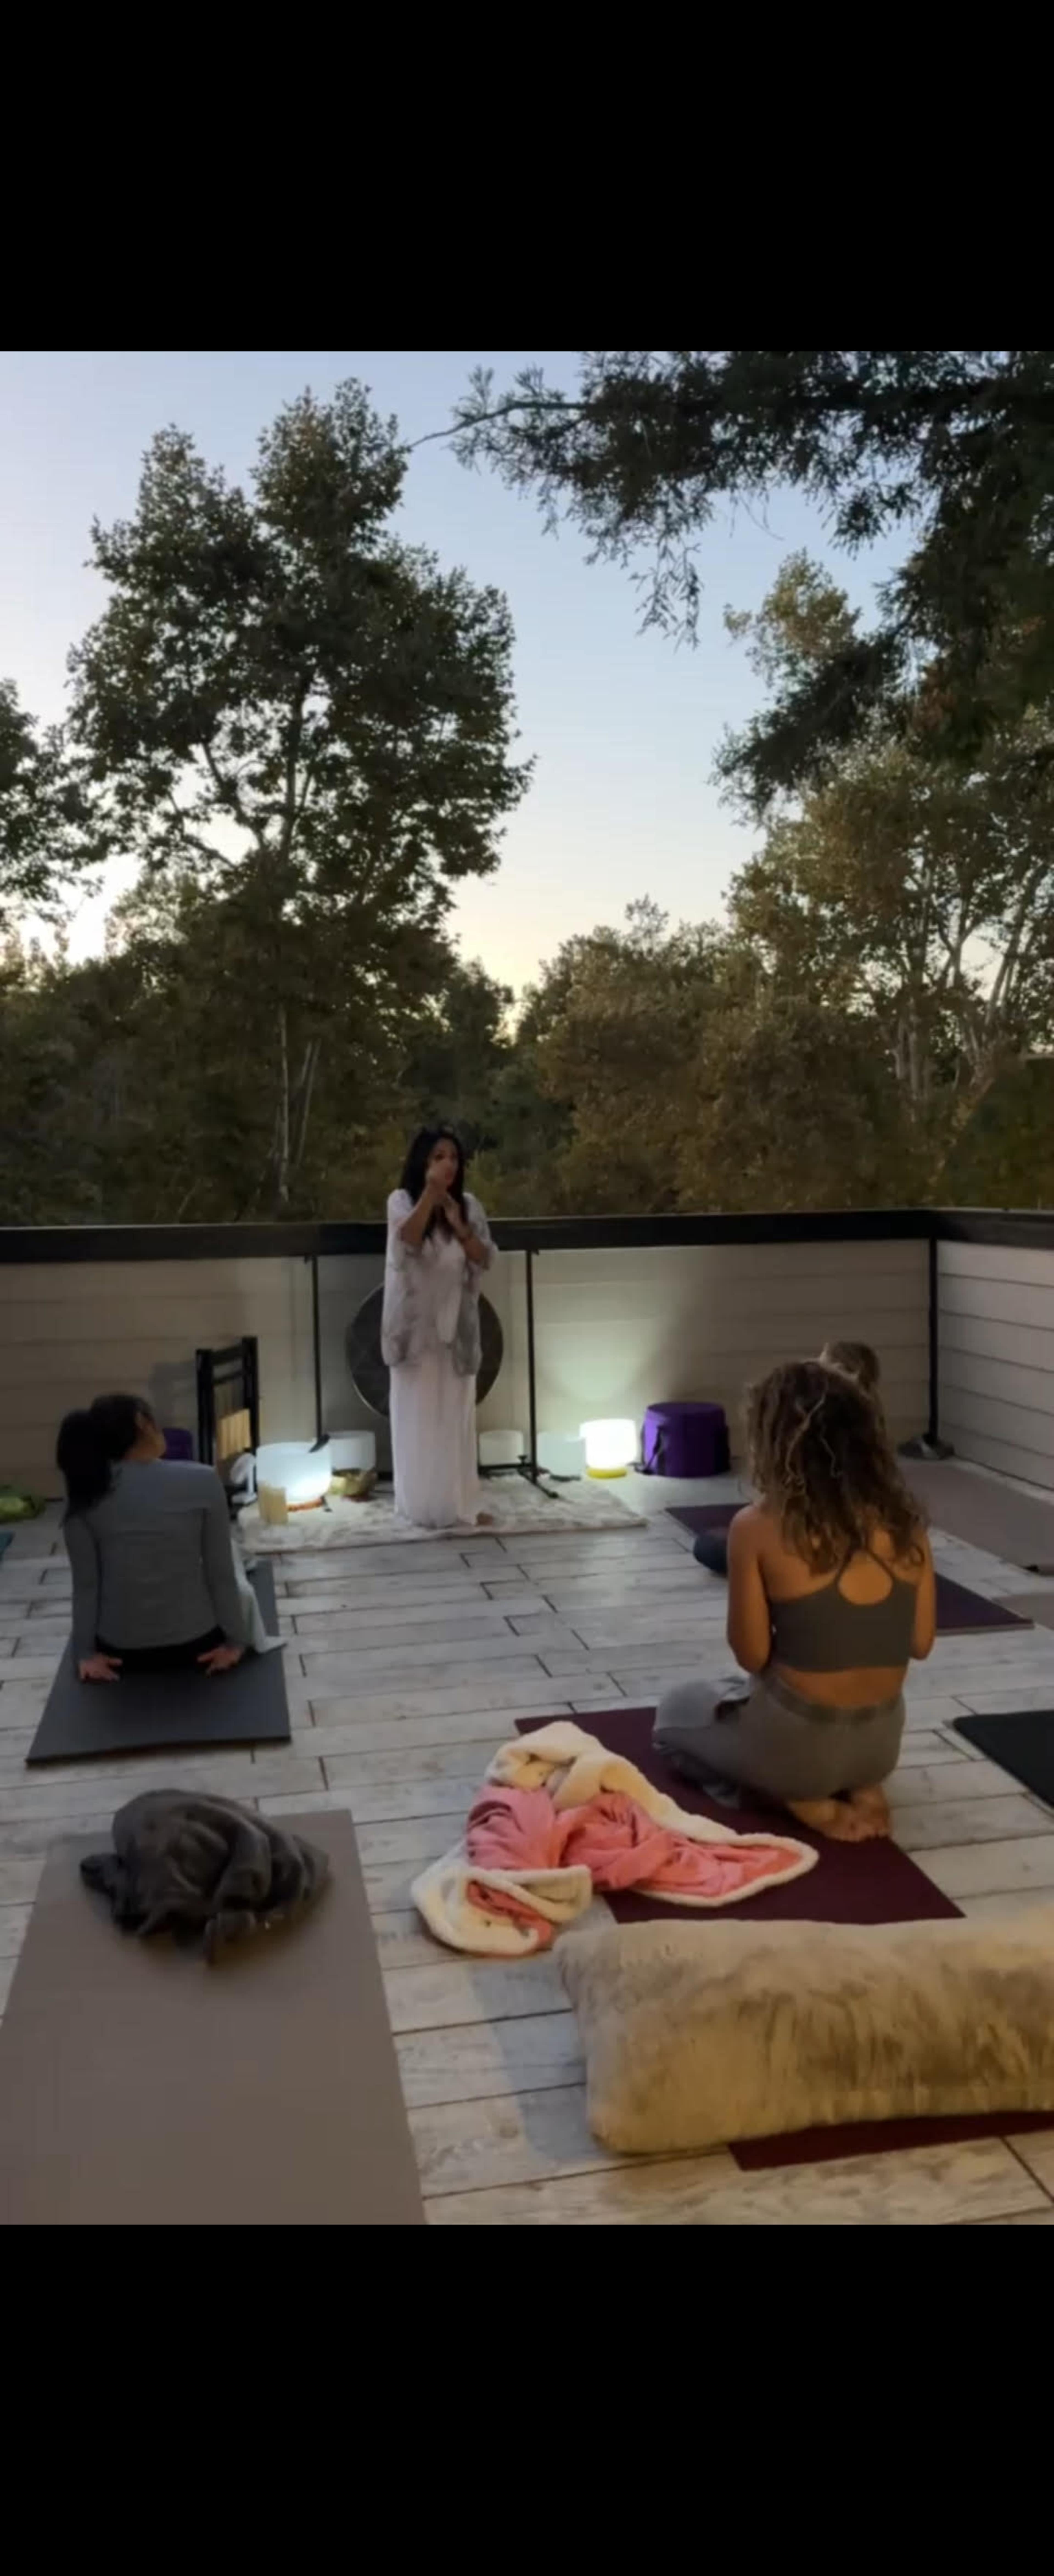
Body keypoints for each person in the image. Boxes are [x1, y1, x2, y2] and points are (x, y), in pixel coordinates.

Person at [656, 1359, 936, 1841]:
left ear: (775, 1443)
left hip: (797, 1748)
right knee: (752, 1698)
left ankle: (803, 1800)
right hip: (881, 1742)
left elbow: (753, 1654)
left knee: (674, 1717)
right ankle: (863, 1786)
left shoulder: (757, 1526)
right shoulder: (905, 1524)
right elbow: (921, 1642)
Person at [56, 1394, 261, 1682]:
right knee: (234, 1561)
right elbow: (220, 1574)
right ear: (142, 1423)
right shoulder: (203, 1480)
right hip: (197, 1644)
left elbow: (87, 1586)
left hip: (120, 1651)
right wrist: (236, 1643)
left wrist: (85, 1655)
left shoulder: (84, 1494)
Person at [692, 1339, 885, 1578]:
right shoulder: (872, 1432)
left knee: (711, 1545)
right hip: (852, 1539)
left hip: (807, 1541)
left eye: (821, 1362)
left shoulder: (811, 1434)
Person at [382, 1125, 495, 1530]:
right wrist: (430, 1199)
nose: (450, 1164)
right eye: (439, 1157)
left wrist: (459, 1224)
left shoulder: (469, 1205)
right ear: (423, 1163)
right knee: (418, 1415)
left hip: (456, 1326)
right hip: (415, 1330)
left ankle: (456, 1502)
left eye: (455, 1158)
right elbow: (405, 1242)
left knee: (454, 1415)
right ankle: (420, 1506)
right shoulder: (402, 1201)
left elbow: (485, 1258)